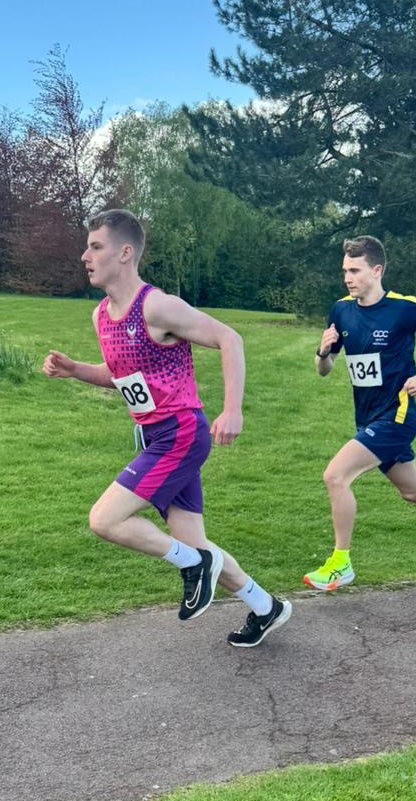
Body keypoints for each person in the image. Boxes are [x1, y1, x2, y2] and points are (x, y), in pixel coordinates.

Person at [42, 209, 291, 648]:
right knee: (192, 540)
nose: (85, 255)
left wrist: (233, 409)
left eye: (95, 246)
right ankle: (265, 607)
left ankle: (193, 565)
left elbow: (230, 339)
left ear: (124, 253)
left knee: (104, 520)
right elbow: (120, 373)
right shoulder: (103, 315)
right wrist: (75, 370)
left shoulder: (156, 306)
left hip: (180, 432)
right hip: (155, 435)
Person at [303, 235, 416, 591]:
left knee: (335, 476)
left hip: (397, 416)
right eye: (344, 271)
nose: (348, 278)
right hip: (368, 417)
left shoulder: (402, 308)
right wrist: (324, 352)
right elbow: (323, 370)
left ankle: (341, 563)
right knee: (412, 491)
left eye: (354, 270)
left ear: (376, 270)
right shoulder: (341, 310)